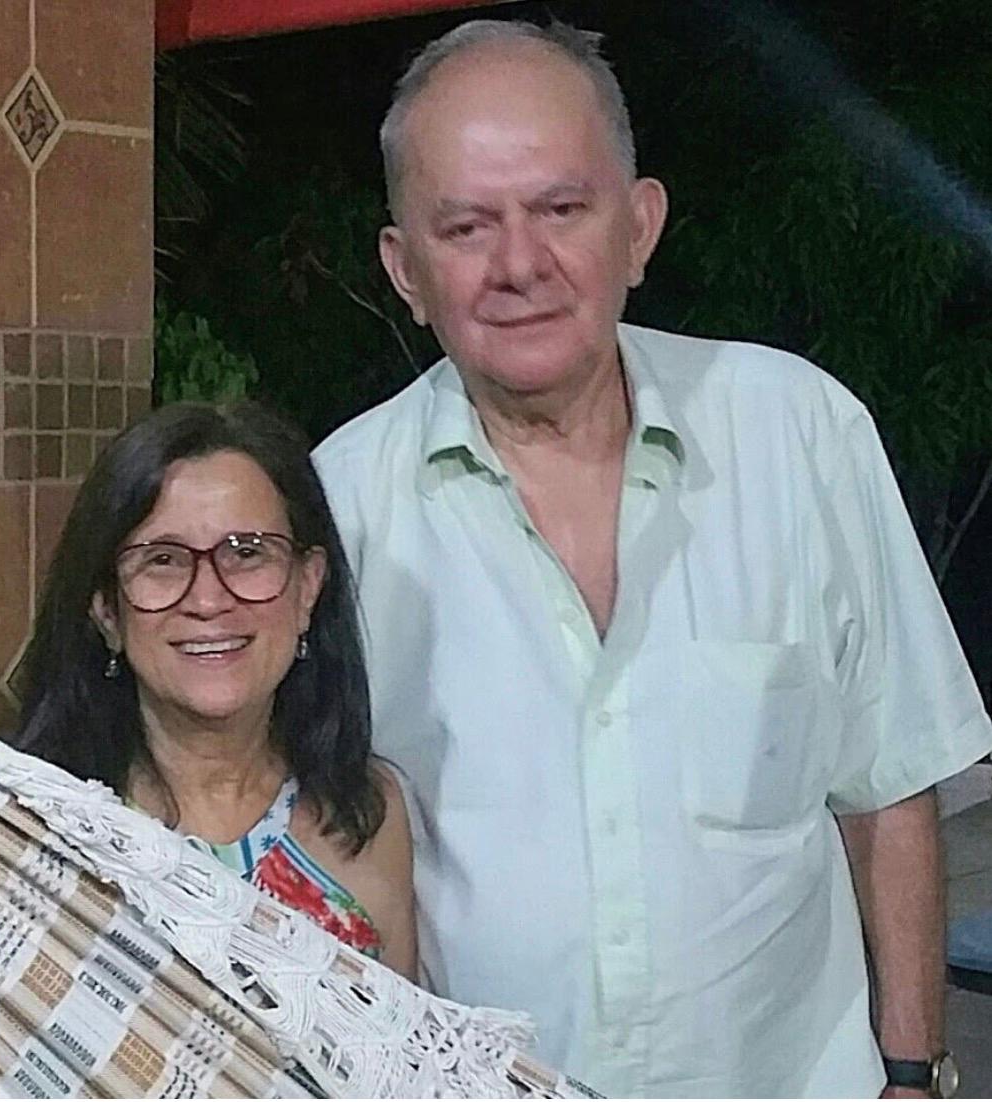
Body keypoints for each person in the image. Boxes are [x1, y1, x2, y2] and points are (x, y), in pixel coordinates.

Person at [312, 18, 992, 1098]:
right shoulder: (340, 506)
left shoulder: (798, 433)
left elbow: (891, 788)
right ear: (405, 269)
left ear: (638, 227)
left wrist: (913, 1074)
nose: (519, 265)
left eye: (561, 210)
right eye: (467, 226)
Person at [16, 400, 417, 979]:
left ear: (308, 587)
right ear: (106, 609)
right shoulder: (36, 825)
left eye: (247, 553)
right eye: (163, 560)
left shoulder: (368, 811)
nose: (208, 600)